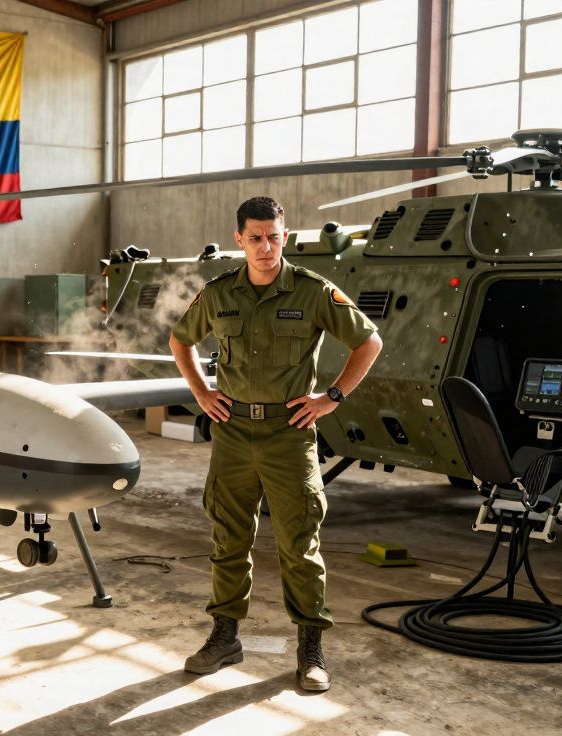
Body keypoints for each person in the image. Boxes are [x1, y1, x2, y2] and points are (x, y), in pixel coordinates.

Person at [168, 196, 383, 692]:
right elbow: (181, 340)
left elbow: (368, 341)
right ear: (239, 239)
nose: (267, 247)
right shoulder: (219, 293)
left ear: (284, 236)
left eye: (275, 236)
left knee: (299, 544)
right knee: (228, 539)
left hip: (289, 435)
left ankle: (311, 648)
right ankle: (224, 637)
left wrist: (332, 397)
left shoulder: (311, 291)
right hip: (232, 433)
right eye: (256, 238)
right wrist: (201, 392)